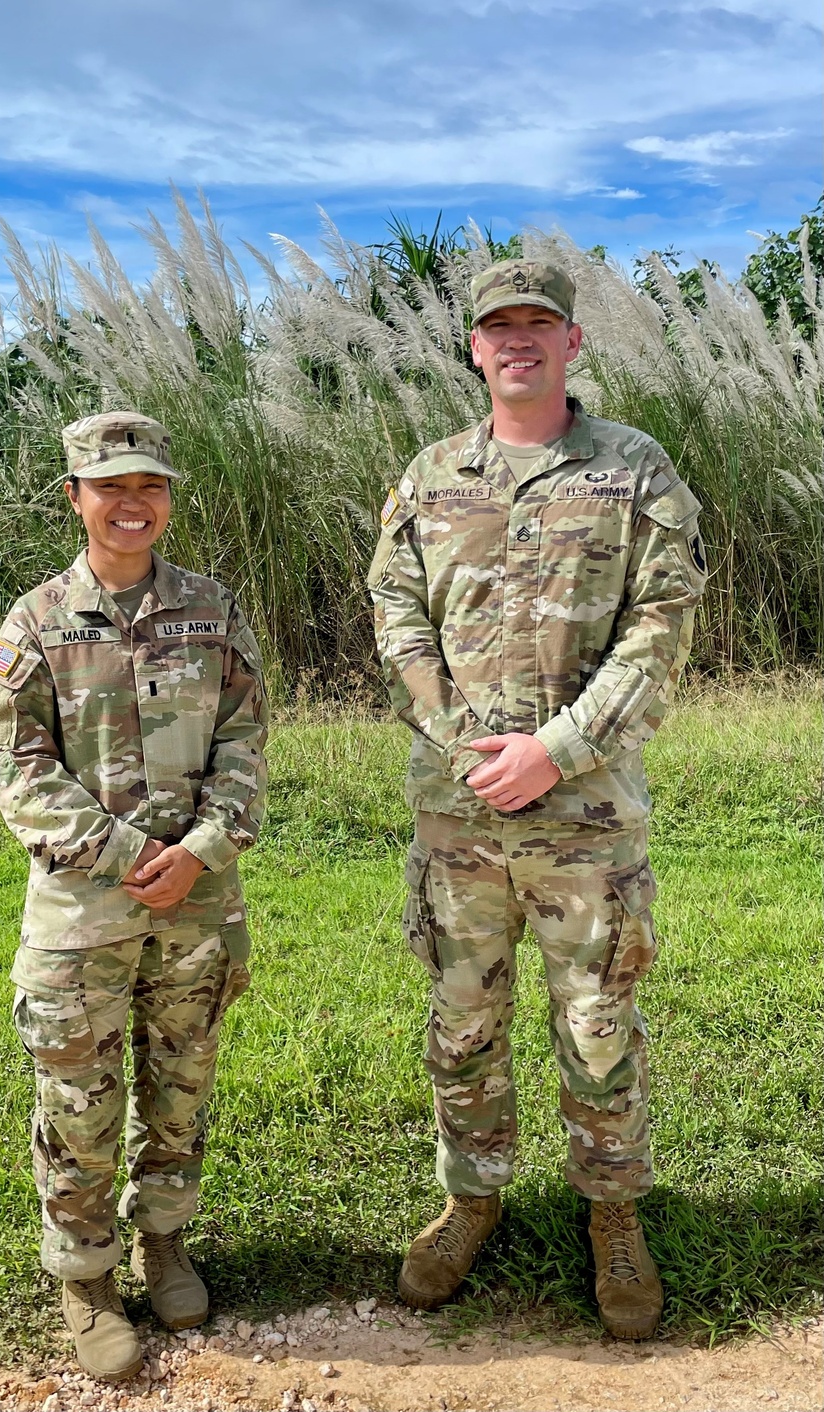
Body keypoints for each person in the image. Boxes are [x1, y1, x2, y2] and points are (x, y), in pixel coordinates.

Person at [368, 259, 707, 1339]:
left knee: (597, 1020)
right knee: (462, 1019)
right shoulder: (429, 477)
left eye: (538, 324)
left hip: (584, 816)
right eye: (496, 326)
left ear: (571, 343)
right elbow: (395, 613)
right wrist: (464, 740)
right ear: (473, 348)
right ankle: (470, 1199)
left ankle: (611, 1211)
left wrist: (556, 749)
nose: (517, 339)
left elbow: (662, 627)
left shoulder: (632, 471)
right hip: (458, 811)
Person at [0, 411, 268, 1382]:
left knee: (179, 1086)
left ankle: (165, 1240)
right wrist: (128, 850)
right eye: (110, 486)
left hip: (195, 902)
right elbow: (18, 769)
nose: (131, 503)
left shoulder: (211, 609)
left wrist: (202, 848)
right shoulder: (34, 623)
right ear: (75, 497)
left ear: (167, 498)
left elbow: (243, 740)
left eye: (148, 485)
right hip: (82, 914)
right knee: (79, 1096)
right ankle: (86, 1275)